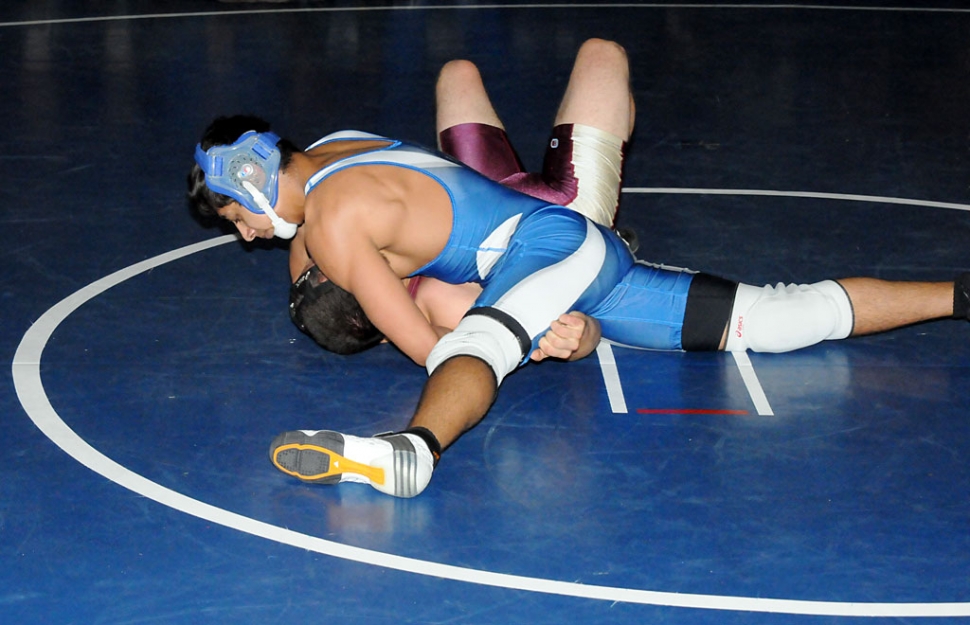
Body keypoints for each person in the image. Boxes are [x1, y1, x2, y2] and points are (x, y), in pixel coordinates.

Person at [189, 40, 969, 499]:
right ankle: (958, 293)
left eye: (236, 216)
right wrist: (574, 334)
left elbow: (423, 345)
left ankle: (413, 451)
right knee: (779, 319)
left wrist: (502, 345)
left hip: (555, 243)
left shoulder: (332, 224)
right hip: (574, 261)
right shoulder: (339, 147)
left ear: (249, 181)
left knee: (473, 347)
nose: (248, 237)